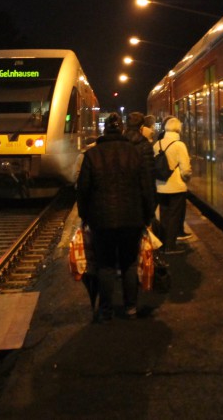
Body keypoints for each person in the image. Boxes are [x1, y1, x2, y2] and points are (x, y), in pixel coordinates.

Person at [76, 112, 154, 321]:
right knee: (129, 262)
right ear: (121, 130)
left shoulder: (92, 155)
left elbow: (83, 189)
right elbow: (147, 187)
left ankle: (106, 310)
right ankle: (130, 308)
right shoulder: (134, 153)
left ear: (104, 130)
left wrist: (84, 216)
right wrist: (148, 215)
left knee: (105, 264)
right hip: (132, 218)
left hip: (101, 220)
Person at [154, 116, 192, 254]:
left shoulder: (157, 144)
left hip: (160, 186)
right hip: (176, 187)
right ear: (178, 129)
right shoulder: (179, 145)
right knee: (175, 216)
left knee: (164, 215)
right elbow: (185, 169)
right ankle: (171, 246)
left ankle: (164, 244)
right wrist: (186, 178)